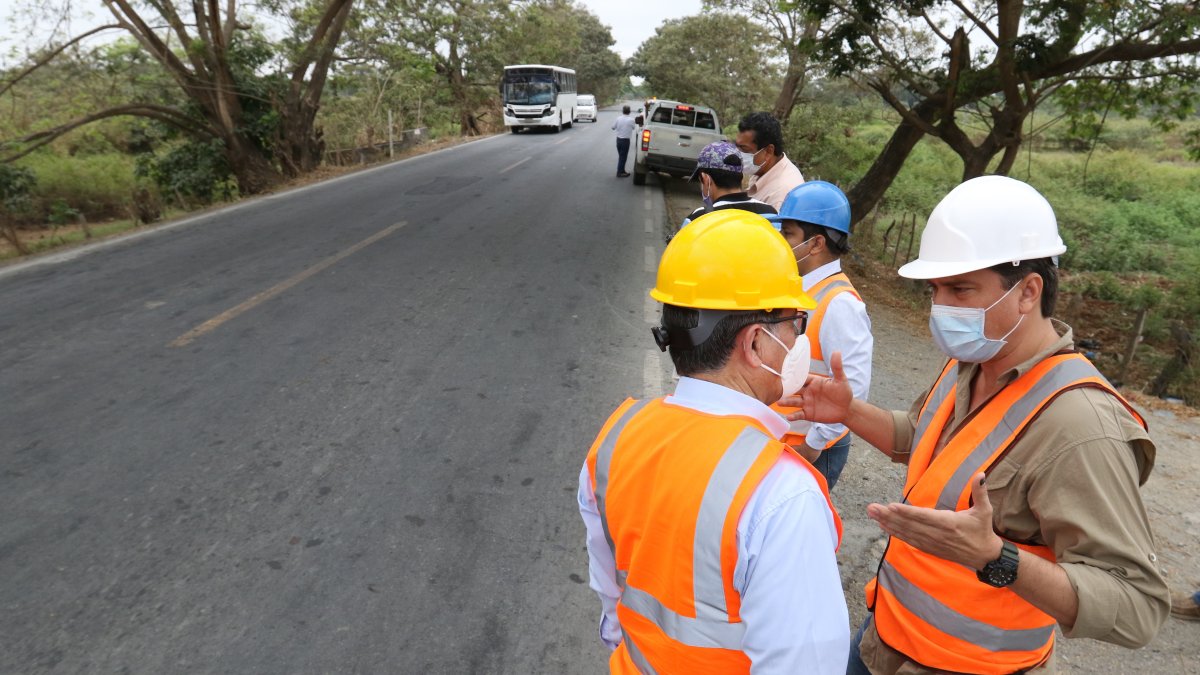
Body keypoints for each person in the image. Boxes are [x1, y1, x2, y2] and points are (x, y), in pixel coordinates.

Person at [782, 175, 1169, 674]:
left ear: (1029, 291)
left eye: (960, 288)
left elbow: (1138, 606)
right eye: (935, 289)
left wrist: (995, 557)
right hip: (886, 639)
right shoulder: (971, 360)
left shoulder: (1081, 425)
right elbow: (919, 440)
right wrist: (849, 411)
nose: (941, 306)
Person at [578, 210, 849, 673]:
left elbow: (611, 597)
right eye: (795, 323)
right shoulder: (781, 494)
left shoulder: (618, 436)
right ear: (754, 343)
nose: (799, 338)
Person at [765, 181, 872, 491]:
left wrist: (814, 444)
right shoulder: (802, 287)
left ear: (815, 244)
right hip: (784, 436)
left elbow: (853, 388)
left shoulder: (840, 304)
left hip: (810, 446)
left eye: (788, 234)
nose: (781, 241)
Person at [679, 140, 777, 229]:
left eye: (700, 181)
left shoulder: (697, 219)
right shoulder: (770, 214)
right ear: (740, 176)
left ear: (706, 179)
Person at [735, 112, 805, 210]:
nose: (737, 153)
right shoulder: (762, 169)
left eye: (744, 149)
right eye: (737, 146)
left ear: (769, 151)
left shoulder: (780, 196)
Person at [612, 105, 636, 178]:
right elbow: (633, 127)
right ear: (629, 111)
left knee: (621, 156)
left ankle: (622, 170)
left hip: (618, 140)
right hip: (625, 141)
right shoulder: (631, 120)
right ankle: (619, 173)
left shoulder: (618, 118)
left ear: (622, 111)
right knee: (623, 157)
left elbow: (613, 127)